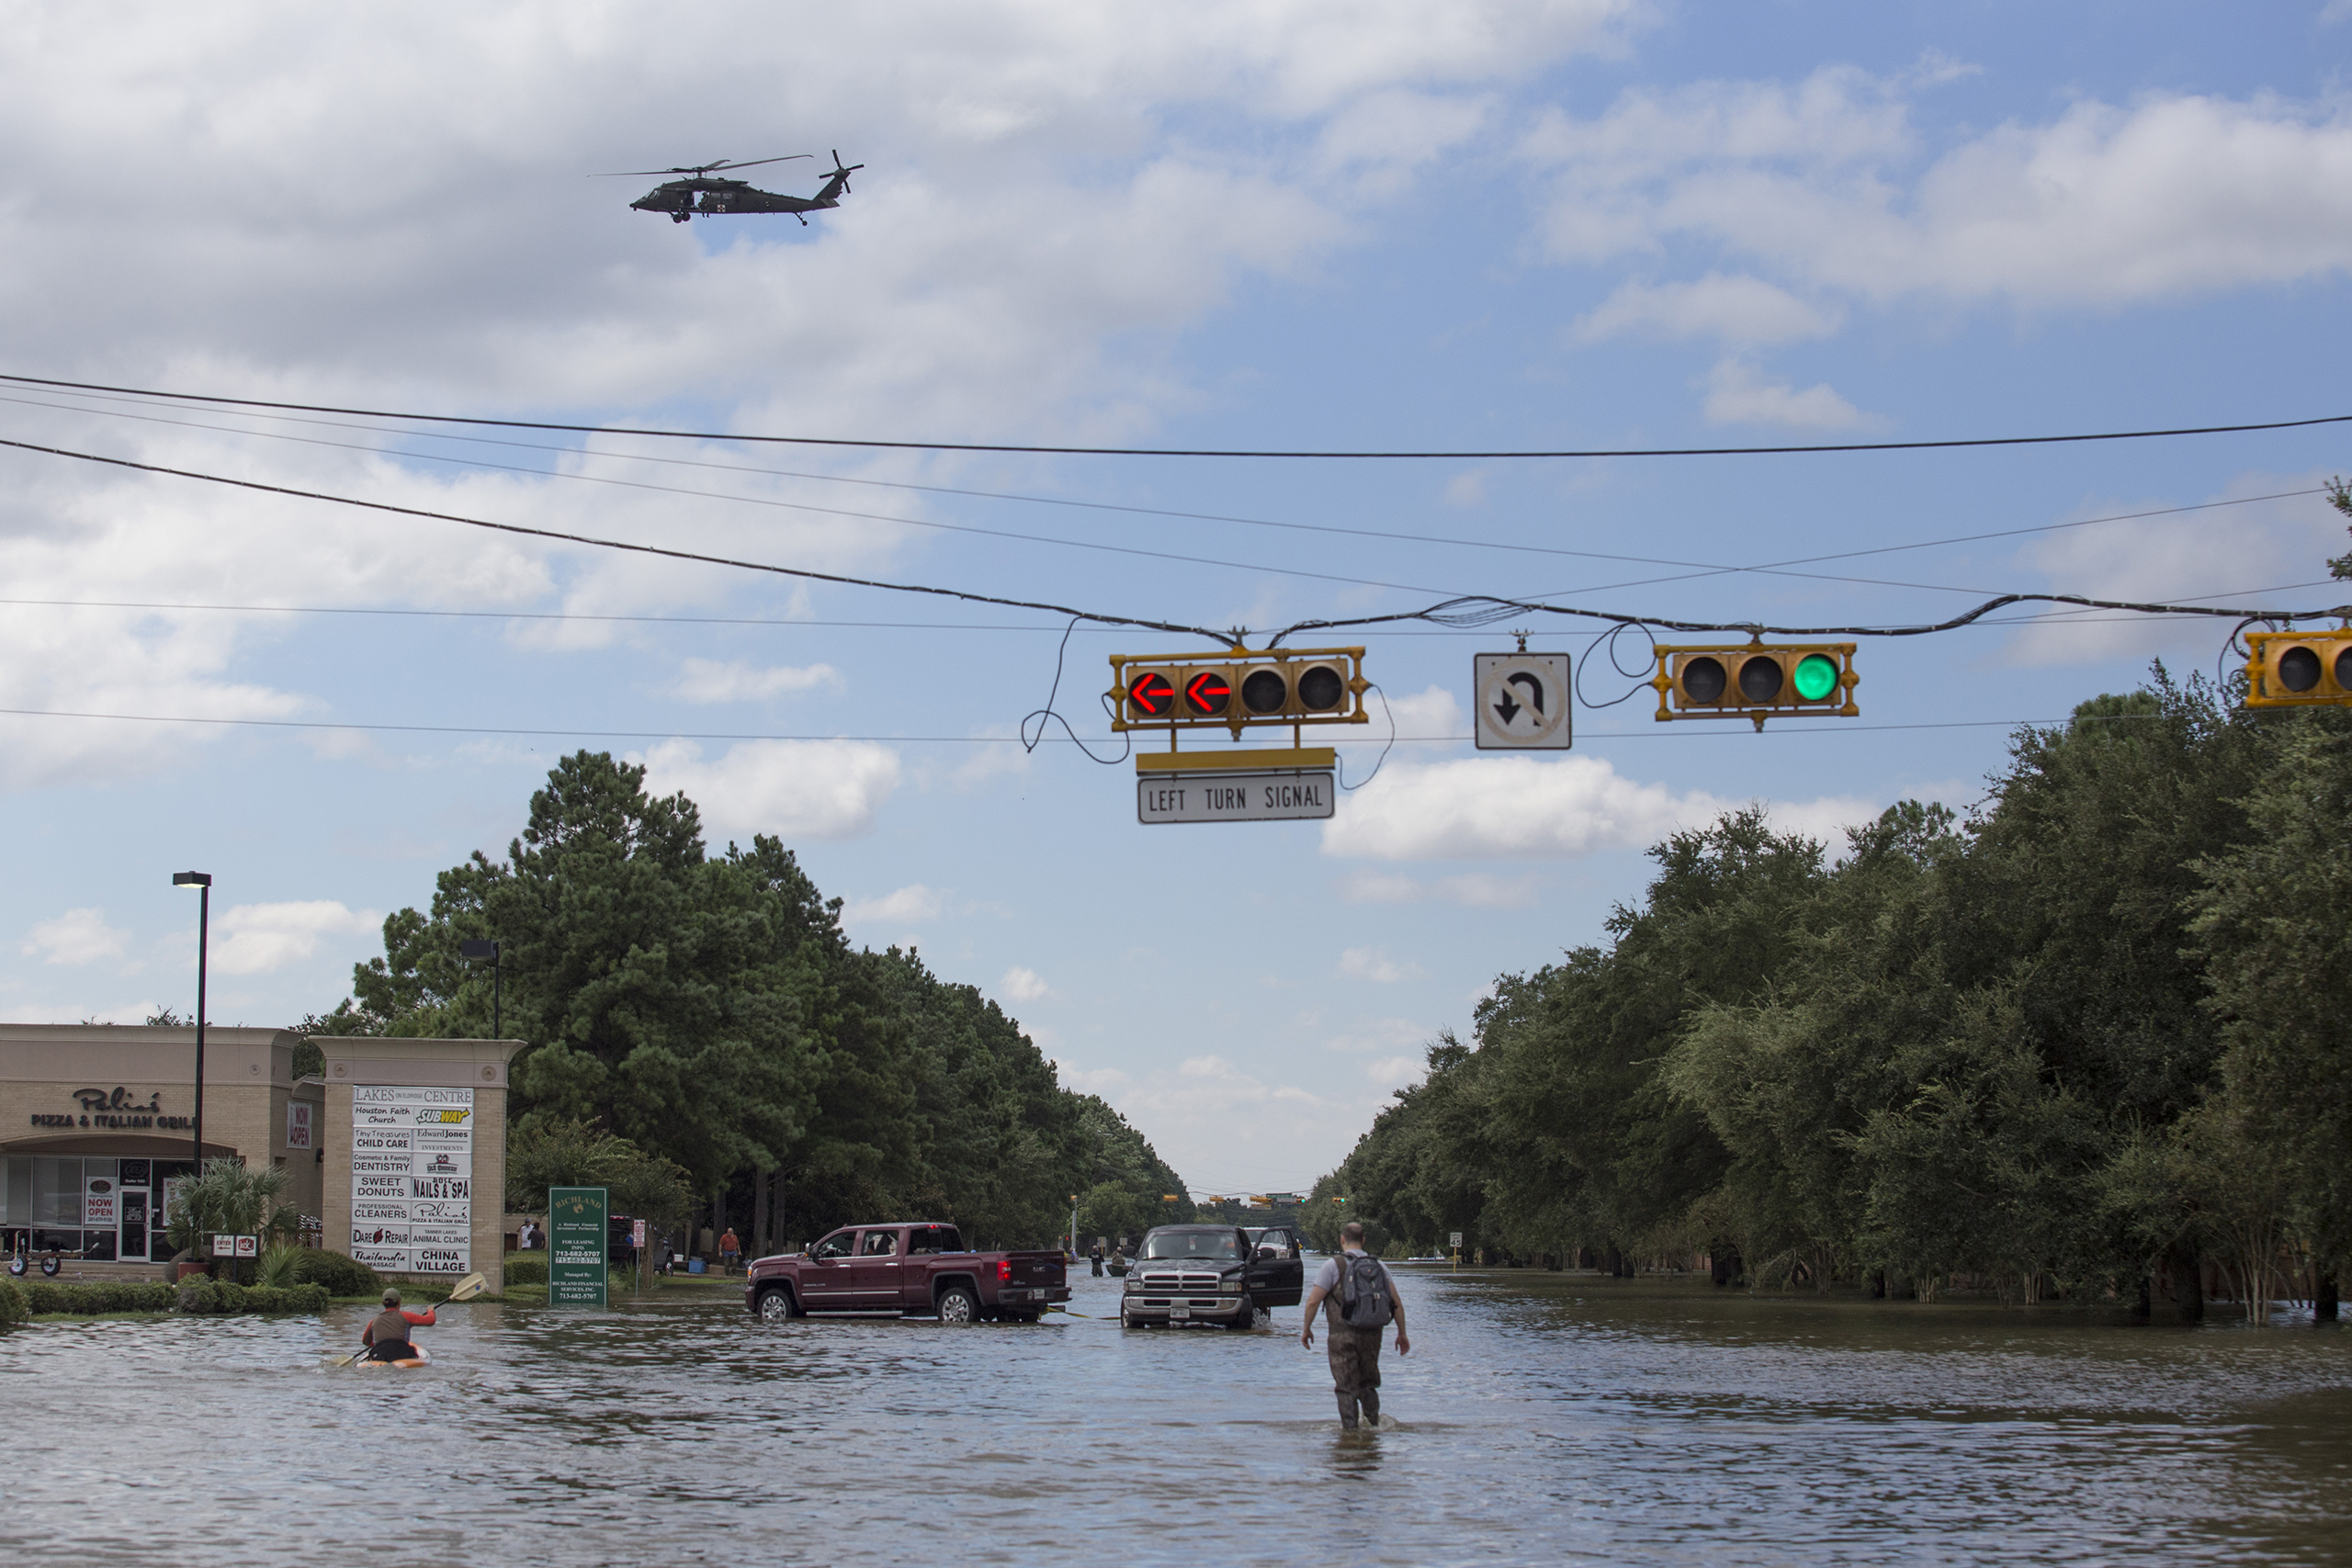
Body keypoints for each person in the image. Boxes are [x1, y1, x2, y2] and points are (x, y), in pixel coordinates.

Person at [1299, 1221, 1408, 1430]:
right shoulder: (1379, 1266)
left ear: (1342, 1240)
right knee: (1368, 1384)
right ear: (1363, 1240)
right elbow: (1396, 1302)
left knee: (1346, 1387)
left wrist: (1306, 1329)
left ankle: (1350, 1434)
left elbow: (1313, 1301)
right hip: (1373, 1335)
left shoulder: (1333, 1266)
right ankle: (1373, 1428)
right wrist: (1402, 1333)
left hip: (1342, 1337)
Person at [360, 1287, 436, 1362]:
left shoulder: (374, 1320)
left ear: (383, 1303)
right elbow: (430, 1320)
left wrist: (377, 1343)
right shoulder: (407, 1316)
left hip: (380, 1354)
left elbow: (366, 1341)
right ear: (399, 1302)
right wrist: (430, 1310)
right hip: (402, 1353)